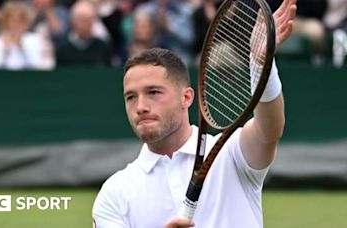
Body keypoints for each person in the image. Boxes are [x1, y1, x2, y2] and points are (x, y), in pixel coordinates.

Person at [92, 0, 297, 227]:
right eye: (131, 97)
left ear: (186, 97)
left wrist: (259, 65)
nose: (140, 106)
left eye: (153, 92)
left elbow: (269, 130)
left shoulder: (231, 155)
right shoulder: (114, 194)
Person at [0, 1, 55, 70]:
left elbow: (39, 67)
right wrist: (6, 50)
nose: (16, 24)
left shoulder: (35, 40)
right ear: (6, 22)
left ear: (26, 22)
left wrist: (21, 47)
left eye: (20, 20)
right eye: (12, 20)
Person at [55, 0, 111, 67]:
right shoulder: (62, 48)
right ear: (73, 22)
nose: (86, 25)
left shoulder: (102, 47)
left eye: (89, 20)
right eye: (83, 20)